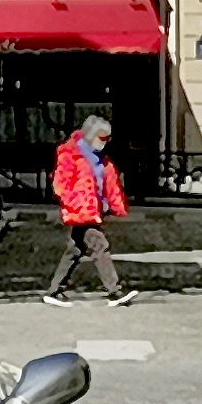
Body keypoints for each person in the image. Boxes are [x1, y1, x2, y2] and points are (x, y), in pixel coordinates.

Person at [42, 112, 141, 307]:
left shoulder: (100, 158)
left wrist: (114, 205)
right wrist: (74, 203)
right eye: (102, 138)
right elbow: (61, 183)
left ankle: (54, 291)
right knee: (99, 246)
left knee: (75, 250)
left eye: (107, 138)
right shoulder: (72, 154)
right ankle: (114, 291)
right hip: (82, 212)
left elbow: (109, 183)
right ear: (91, 135)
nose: (105, 142)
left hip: (91, 211)